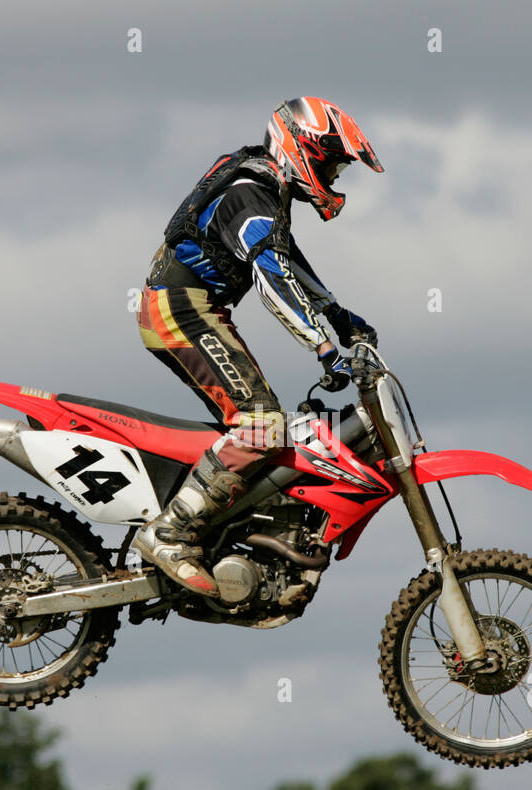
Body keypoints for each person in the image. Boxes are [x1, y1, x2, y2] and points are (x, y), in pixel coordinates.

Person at [134, 96, 383, 596]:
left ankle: (225, 530)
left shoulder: (263, 187)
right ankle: (170, 532)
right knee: (262, 425)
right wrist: (323, 347)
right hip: (180, 310)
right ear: (304, 149)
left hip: (195, 308)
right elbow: (272, 280)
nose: (333, 177)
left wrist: (339, 316)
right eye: (331, 162)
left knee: (261, 426)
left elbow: (284, 258)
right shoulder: (250, 193)